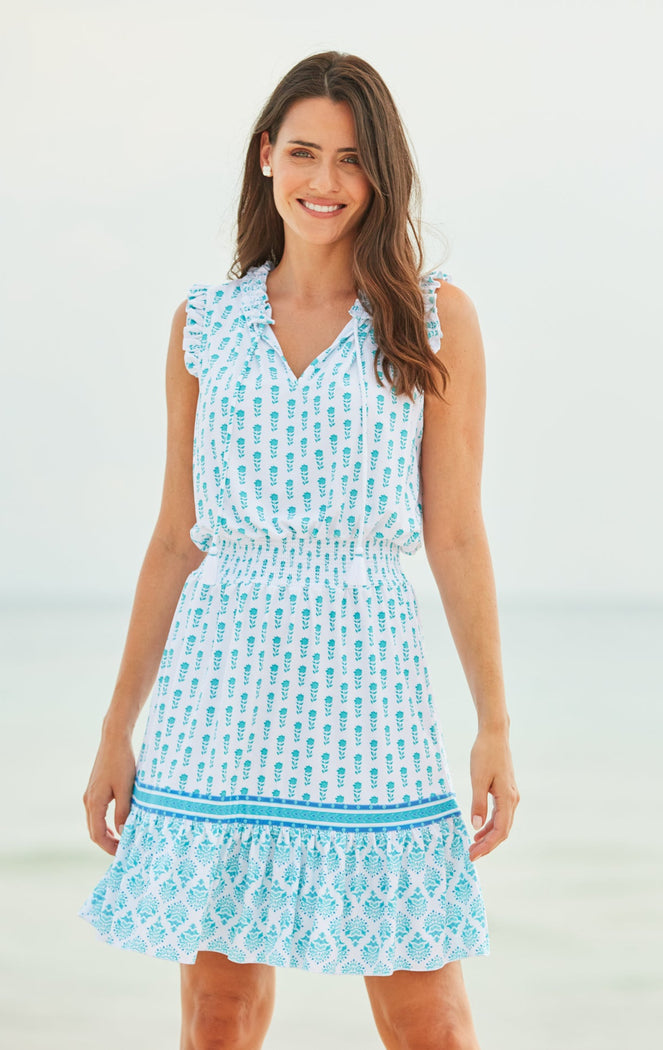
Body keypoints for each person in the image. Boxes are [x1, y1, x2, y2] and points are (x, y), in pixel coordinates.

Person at [78, 50, 518, 1050]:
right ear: (266, 157)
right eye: (306, 154)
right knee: (221, 1016)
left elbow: (453, 535)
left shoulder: (432, 321)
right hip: (219, 688)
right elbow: (172, 539)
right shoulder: (205, 326)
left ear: (381, 176)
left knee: (430, 1023)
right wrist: (117, 728)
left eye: (352, 160)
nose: (324, 183)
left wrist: (493, 724)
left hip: (369, 690)